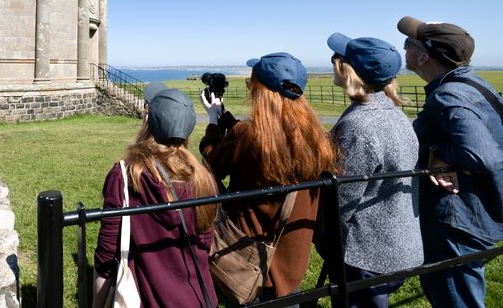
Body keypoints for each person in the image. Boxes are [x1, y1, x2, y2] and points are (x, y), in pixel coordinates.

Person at [199, 52, 337, 303]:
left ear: (261, 91)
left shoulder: (248, 137)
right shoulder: (317, 138)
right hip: (291, 262)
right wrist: (227, 118)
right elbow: (271, 133)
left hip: (249, 262)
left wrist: (212, 121)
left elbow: (212, 163)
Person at [397, 16, 503, 308]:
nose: (403, 48)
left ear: (422, 56)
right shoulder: (475, 84)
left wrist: (437, 150)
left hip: (455, 223)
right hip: (477, 212)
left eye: (408, 44)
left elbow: (481, 155)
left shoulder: (448, 95)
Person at [93, 84, 219, 308]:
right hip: (198, 298)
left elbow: (106, 259)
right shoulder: (202, 179)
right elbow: (205, 245)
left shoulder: (126, 175)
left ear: (148, 124)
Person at [327, 33, 423, 307]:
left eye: (337, 59)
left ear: (348, 70)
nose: (333, 62)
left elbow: (343, 200)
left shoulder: (359, 125)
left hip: (366, 254)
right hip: (398, 244)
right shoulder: (394, 113)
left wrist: (327, 241)